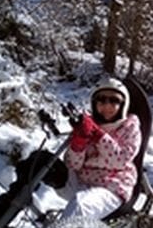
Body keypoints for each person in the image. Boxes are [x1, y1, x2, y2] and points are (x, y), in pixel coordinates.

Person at [60, 77, 142, 218]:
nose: (107, 105)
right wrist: (78, 144)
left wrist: (99, 135)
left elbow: (120, 161)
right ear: (94, 102)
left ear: (123, 104)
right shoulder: (87, 125)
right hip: (82, 181)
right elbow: (73, 166)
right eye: (101, 100)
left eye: (114, 100)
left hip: (112, 187)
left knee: (81, 205)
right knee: (40, 165)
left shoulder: (130, 127)